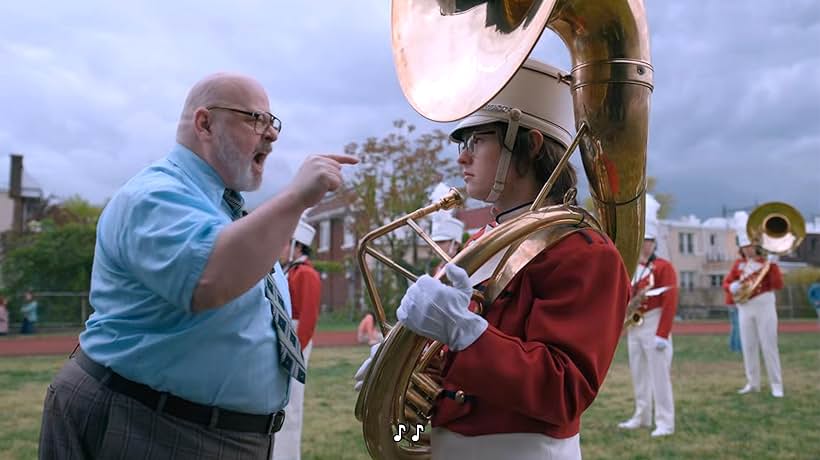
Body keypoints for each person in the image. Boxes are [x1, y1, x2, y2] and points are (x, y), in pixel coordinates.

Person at [38, 72, 357, 459]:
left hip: (195, 429)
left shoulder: (225, 209)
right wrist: (295, 198)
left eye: (273, 123)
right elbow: (210, 278)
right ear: (205, 123)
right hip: (150, 425)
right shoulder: (155, 194)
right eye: (256, 119)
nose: (271, 135)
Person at [355, 59, 630, 459]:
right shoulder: (476, 245)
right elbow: (440, 373)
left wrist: (467, 335)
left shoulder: (584, 252)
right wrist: (396, 373)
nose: (461, 159)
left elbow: (566, 392)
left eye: (476, 141)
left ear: (530, 144)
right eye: (461, 144)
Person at [617, 205, 678, 437]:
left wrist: (662, 334)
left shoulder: (664, 267)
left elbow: (670, 302)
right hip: (635, 326)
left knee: (660, 378)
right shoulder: (632, 268)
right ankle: (642, 415)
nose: (645, 244)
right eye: (642, 240)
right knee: (639, 374)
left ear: (654, 243)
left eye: (649, 240)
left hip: (654, 324)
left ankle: (665, 422)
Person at [273, 218, 322, 460]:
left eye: (285, 243)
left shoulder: (306, 274)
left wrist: (294, 351)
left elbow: (308, 319)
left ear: (297, 246)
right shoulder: (288, 271)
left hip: (294, 341)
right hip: (284, 338)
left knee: (291, 406)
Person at [723, 230, 785, 398]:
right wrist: (731, 286)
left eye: (750, 246)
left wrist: (774, 267)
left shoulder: (767, 263)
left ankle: (776, 384)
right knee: (748, 345)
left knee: (769, 345)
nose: (747, 250)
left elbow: (777, 285)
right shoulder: (738, 264)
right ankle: (752, 382)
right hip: (745, 306)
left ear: (756, 246)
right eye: (744, 247)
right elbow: (727, 281)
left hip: (764, 304)